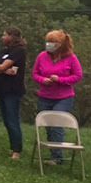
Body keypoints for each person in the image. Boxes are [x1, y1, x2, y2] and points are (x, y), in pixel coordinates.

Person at [32, 29, 82, 164]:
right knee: (48, 125)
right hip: (45, 95)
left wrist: (60, 80)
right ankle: (52, 153)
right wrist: (43, 80)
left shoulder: (71, 58)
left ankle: (58, 157)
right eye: (48, 42)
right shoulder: (42, 56)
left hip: (63, 96)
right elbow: (35, 73)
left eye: (52, 42)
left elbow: (77, 76)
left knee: (56, 123)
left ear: (60, 44)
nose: (49, 44)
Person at [0, 27, 27, 159]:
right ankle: (12, 146)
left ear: (12, 37)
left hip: (13, 90)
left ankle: (17, 149)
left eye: (5, 35)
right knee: (6, 120)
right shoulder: (4, 51)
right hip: (2, 88)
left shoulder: (19, 51)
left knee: (12, 120)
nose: (2, 37)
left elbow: (1, 66)